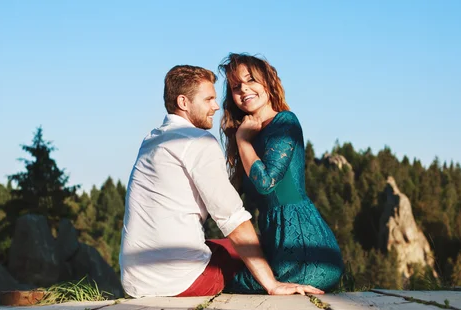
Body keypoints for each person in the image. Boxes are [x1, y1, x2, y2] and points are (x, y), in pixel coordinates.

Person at [119, 64, 324, 298]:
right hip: (181, 282)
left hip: (135, 281)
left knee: (220, 245)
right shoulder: (198, 141)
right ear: (183, 102)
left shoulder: (151, 140)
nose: (216, 107)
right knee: (254, 253)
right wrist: (272, 285)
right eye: (208, 100)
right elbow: (231, 218)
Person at [219, 53, 345, 293]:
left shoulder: (285, 122)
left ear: (267, 82)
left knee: (226, 282)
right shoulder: (245, 134)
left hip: (306, 251)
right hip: (271, 243)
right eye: (236, 86)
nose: (243, 89)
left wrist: (243, 141)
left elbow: (266, 183)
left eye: (250, 80)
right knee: (212, 263)